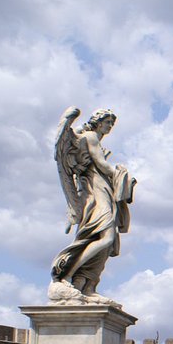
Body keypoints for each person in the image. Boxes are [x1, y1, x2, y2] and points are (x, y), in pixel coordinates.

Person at [51, 107, 137, 302]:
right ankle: (67, 276)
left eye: (112, 124)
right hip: (95, 190)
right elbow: (102, 165)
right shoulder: (90, 137)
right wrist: (123, 174)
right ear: (98, 121)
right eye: (108, 123)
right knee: (105, 237)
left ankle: (87, 285)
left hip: (103, 188)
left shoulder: (93, 139)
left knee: (107, 241)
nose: (110, 127)